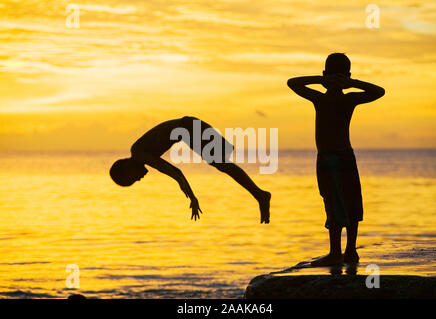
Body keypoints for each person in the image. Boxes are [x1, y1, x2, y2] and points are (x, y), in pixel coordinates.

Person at [287, 53, 385, 266]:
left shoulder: (333, 98)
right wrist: (345, 82)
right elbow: (291, 83)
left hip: (335, 157)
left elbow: (380, 92)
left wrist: (339, 82)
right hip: (338, 157)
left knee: (343, 202)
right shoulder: (327, 98)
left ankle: (343, 252)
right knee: (341, 202)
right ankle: (345, 251)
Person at [109, 116, 271, 223]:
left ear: (126, 167)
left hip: (189, 128)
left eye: (132, 179)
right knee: (221, 163)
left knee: (221, 163)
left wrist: (192, 197)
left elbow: (175, 172)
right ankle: (260, 195)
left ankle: (260, 195)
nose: (138, 179)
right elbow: (173, 172)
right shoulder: (139, 152)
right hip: (189, 127)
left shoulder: (139, 153)